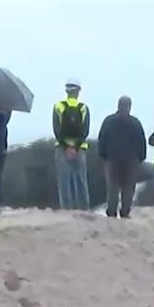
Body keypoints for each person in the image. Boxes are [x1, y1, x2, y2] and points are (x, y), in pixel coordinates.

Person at [96, 96, 147, 219]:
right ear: (129, 107)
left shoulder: (108, 121)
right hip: (131, 160)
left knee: (113, 187)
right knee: (129, 187)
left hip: (112, 158)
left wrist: (103, 155)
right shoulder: (135, 123)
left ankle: (112, 212)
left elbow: (101, 139)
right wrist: (140, 158)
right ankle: (125, 212)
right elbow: (142, 142)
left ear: (118, 106)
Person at [52, 78, 91, 210]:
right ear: (78, 91)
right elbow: (85, 130)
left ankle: (67, 210)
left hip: (61, 148)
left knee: (64, 182)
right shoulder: (83, 108)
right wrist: (75, 147)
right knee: (81, 181)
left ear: (66, 90)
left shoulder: (58, 106)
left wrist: (67, 147)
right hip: (80, 148)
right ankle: (84, 210)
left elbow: (56, 129)